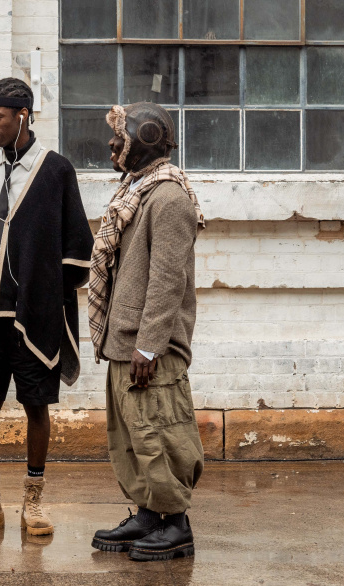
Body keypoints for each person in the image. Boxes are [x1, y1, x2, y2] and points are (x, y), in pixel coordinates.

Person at [0, 78, 94, 536]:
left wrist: (46, 294)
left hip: (33, 318)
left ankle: (33, 501)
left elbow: (77, 246)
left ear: (23, 116)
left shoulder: (56, 170)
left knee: (37, 406)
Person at [89, 102, 205, 561]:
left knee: (160, 433)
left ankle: (175, 524)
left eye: (121, 136)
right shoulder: (135, 191)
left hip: (148, 346)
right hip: (126, 340)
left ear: (146, 139)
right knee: (132, 436)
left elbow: (168, 279)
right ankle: (148, 513)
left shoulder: (169, 198)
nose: (112, 143)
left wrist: (150, 346)